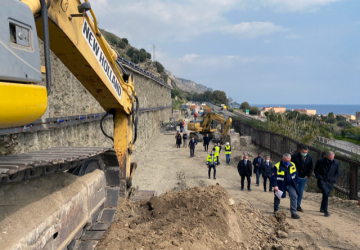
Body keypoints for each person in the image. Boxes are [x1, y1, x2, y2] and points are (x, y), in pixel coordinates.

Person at [271, 153, 300, 219]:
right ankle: (276, 210)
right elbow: (273, 177)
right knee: (277, 196)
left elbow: (296, 175)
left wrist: (297, 183)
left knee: (294, 196)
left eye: (288, 161)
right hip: (280, 184)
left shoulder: (293, 165)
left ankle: (293, 213)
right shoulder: (277, 166)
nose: (287, 162)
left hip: (290, 184)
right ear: (282, 159)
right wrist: (275, 185)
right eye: (285, 161)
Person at [314, 151, 340, 217]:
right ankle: (325, 210)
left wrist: (334, 179)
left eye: (332, 158)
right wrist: (319, 177)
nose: (331, 159)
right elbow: (316, 170)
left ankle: (322, 208)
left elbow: (337, 172)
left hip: (330, 181)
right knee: (325, 192)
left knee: (326, 194)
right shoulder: (320, 161)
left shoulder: (336, 163)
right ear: (326, 156)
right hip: (322, 180)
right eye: (330, 158)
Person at [291, 145, 314, 212]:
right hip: (295, 177)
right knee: (294, 192)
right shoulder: (295, 156)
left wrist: (308, 175)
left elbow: (311, 167)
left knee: (300, 192)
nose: (304, 153)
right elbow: (291, 166)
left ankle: (298, 205)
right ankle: (293, 205)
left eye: (306, 152)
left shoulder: (309, 157)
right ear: (300, 150)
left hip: (304, 177)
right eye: (303, 152)